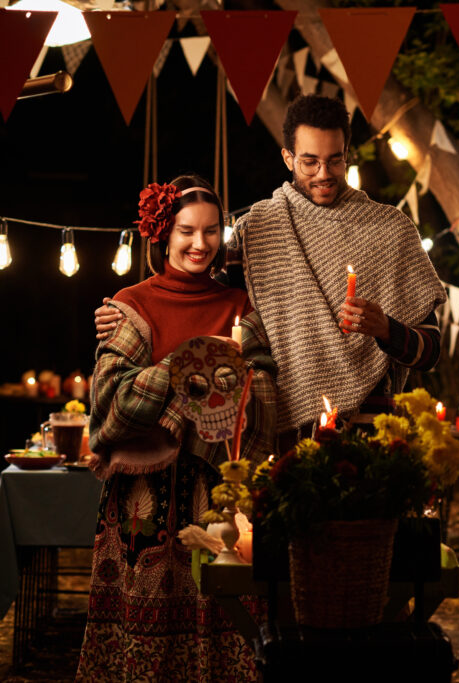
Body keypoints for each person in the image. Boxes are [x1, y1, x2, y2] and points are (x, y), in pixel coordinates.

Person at [95, 95, 446, 450]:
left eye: (334, 160)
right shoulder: (255, 230)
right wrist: (129, 312)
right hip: (283, 438)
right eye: (309, 162)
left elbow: (431, 351)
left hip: (372, 436)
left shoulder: (391, 230)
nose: (323, 174)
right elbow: (211, 310)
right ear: (288, 157)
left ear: (347, 154)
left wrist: (386, 329)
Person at [77, 176, 275, 682]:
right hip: (141, 499)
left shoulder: (240, 307)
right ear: (164, 232)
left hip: (215, 490)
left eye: (212, 231)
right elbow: (111, 403)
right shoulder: (129, 304)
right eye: (188, 230)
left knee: (220, 614)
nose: (200, 244)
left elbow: (263, 397)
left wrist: (180, 389)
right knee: (141, 622)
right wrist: (191, 368)